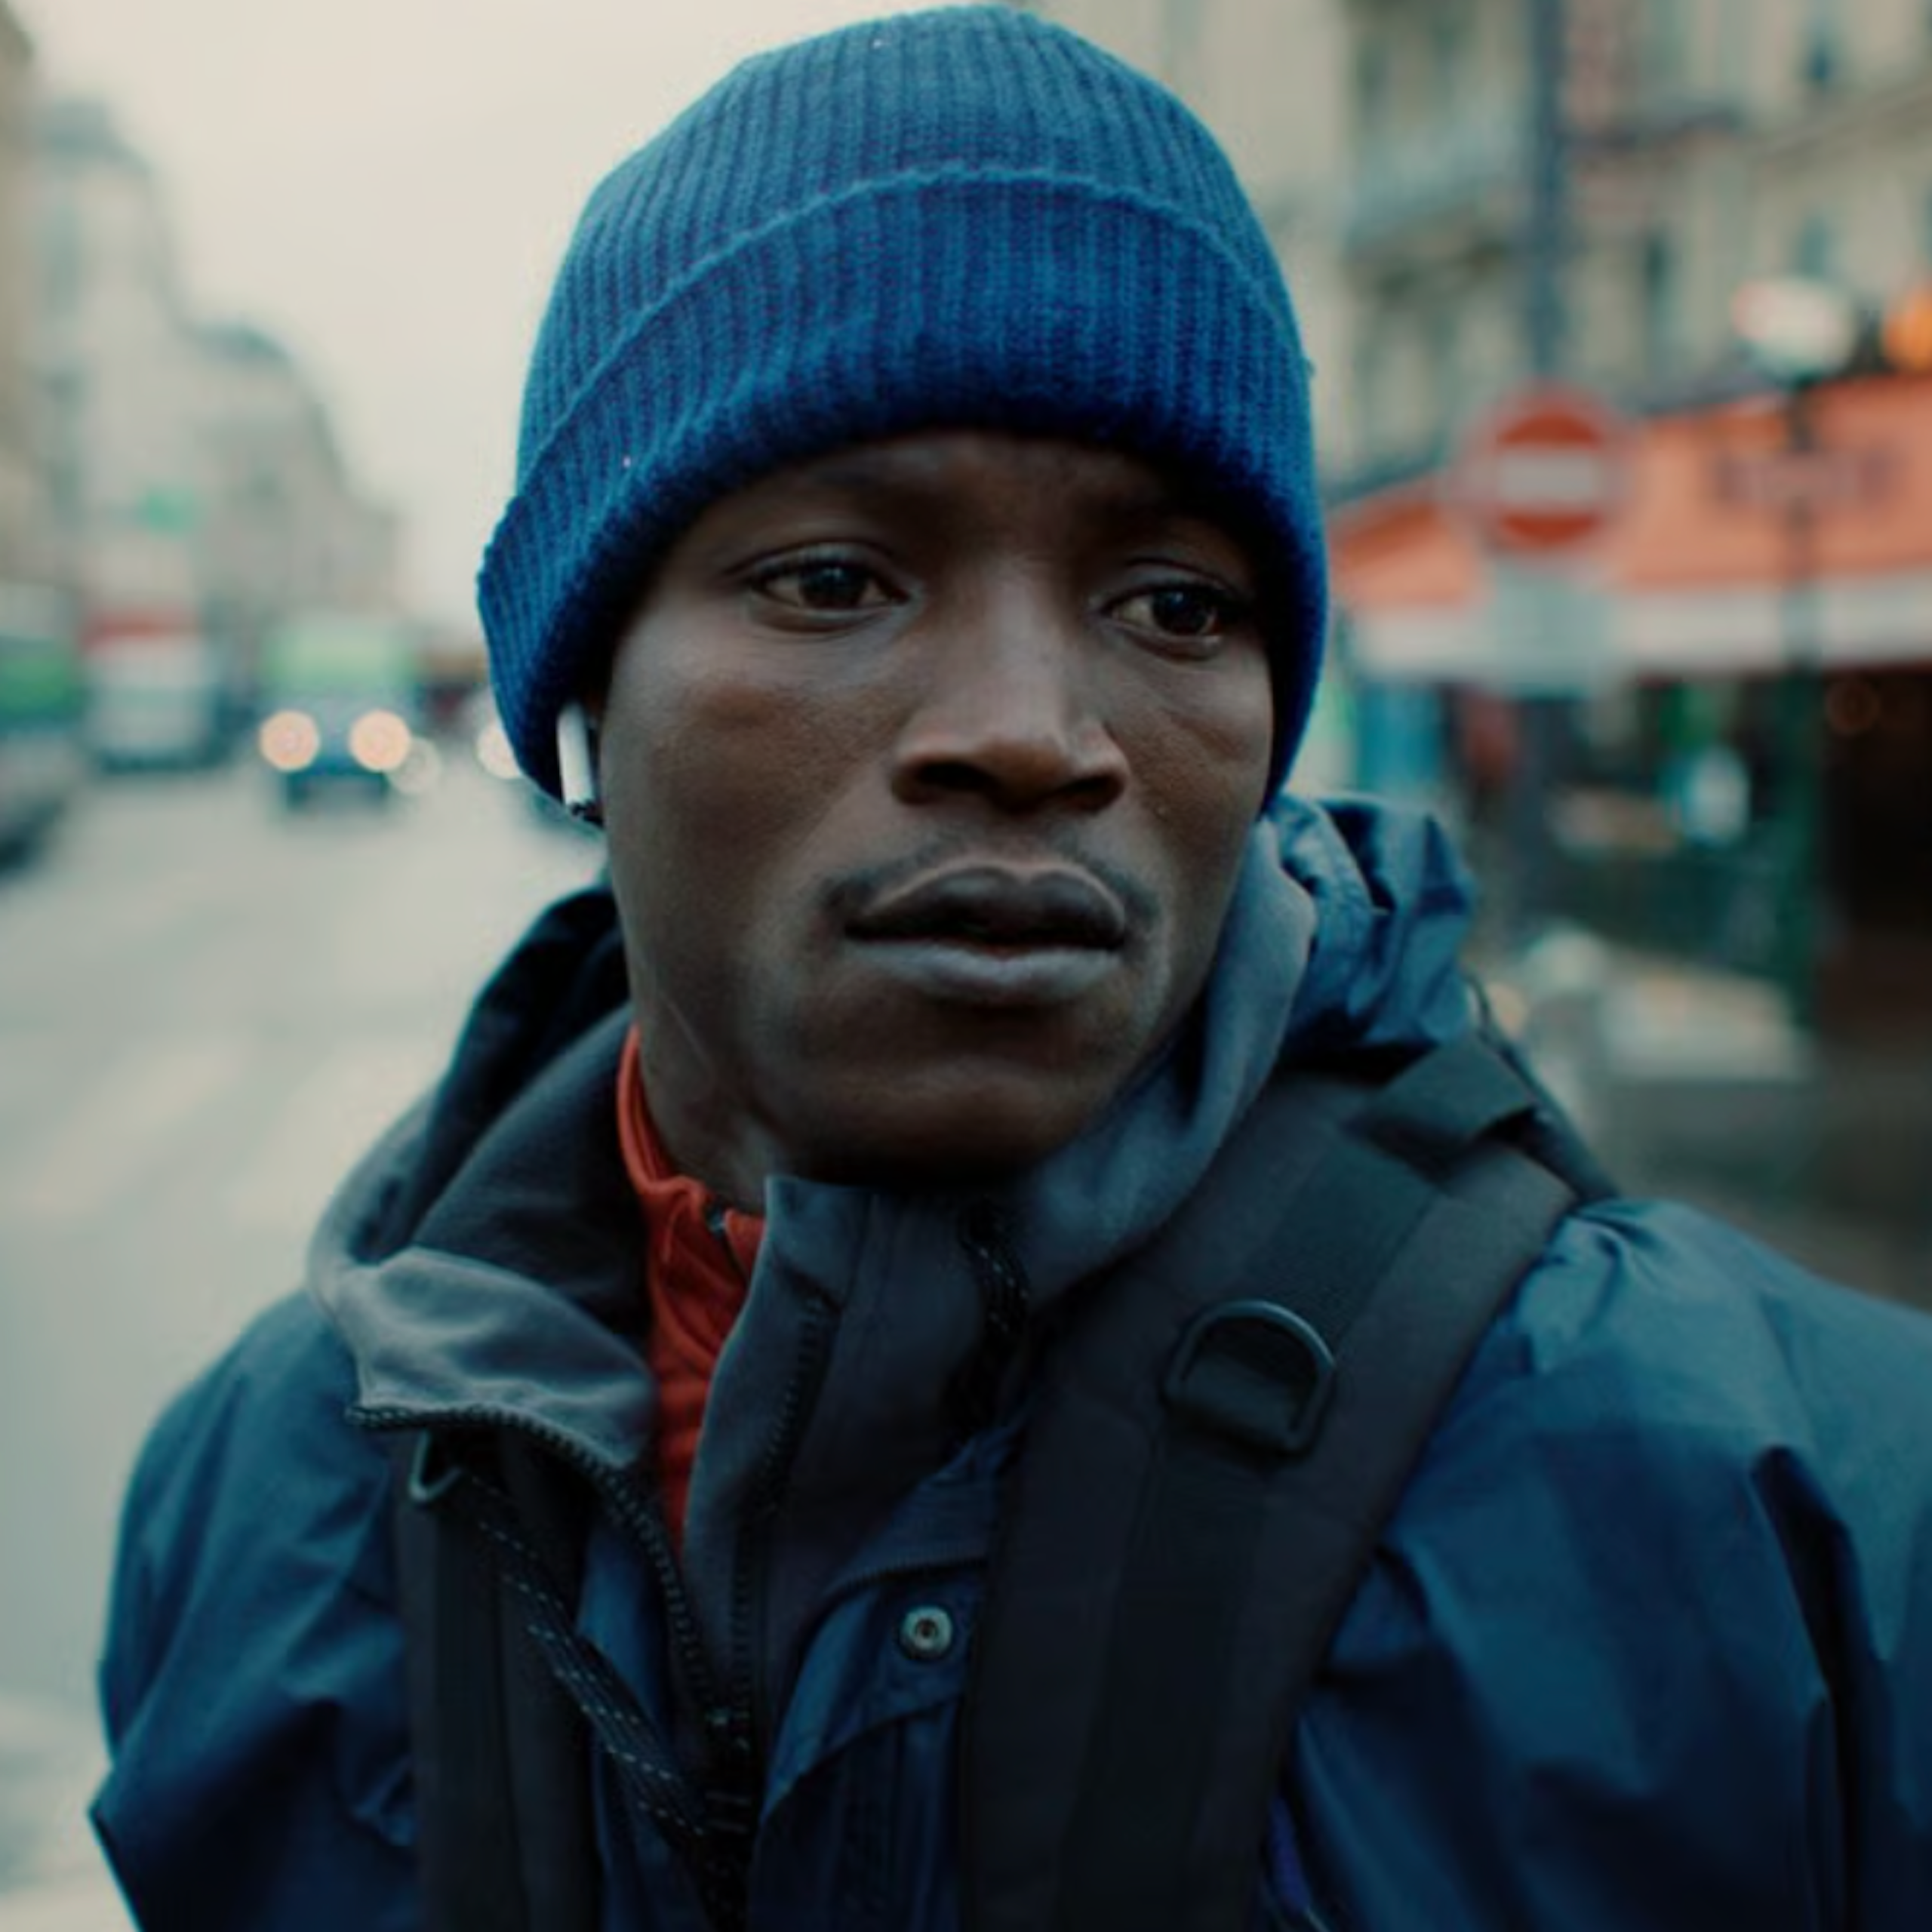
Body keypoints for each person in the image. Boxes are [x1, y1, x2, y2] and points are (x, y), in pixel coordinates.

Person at [91, 8, 1932, 1929]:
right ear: (577, 695)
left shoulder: (1793, 1519)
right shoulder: (260, 1496)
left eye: (1171, 603)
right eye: (833, 578)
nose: (1029, 729)